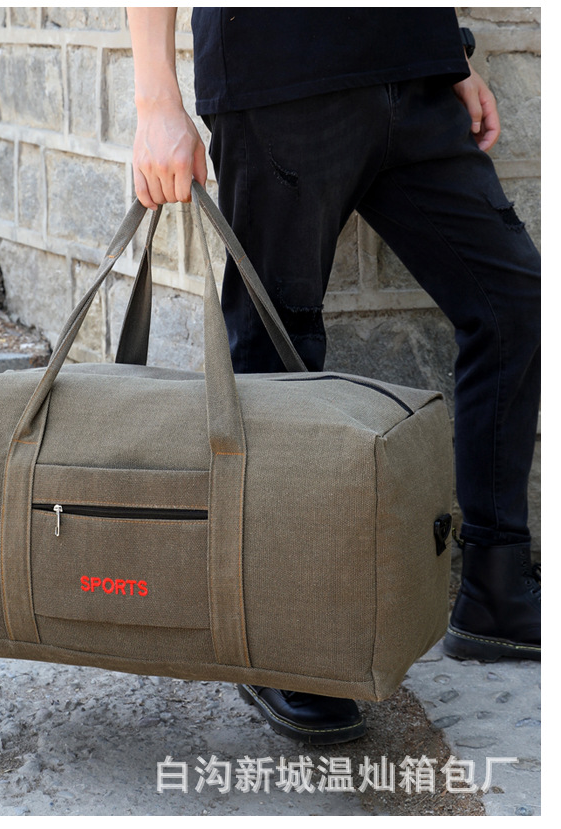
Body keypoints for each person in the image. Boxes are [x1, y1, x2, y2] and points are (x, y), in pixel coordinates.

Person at [126, 7, 540, 744]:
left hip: (413, 65)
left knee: (514, 303)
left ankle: (496, 595)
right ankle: (276, 637)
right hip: (281, 69)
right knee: (277, 349)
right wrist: (156, 100)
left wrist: (450, 51)